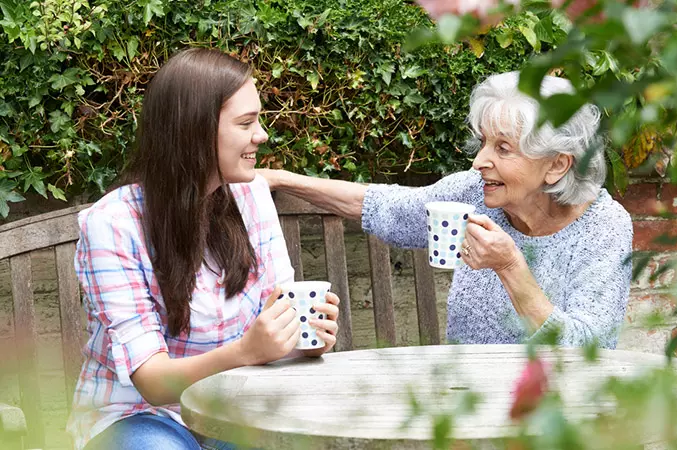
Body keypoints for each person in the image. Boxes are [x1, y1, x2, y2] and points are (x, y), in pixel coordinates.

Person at [67, 48, 340, 450]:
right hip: (137, 416)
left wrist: (302, 337)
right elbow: (153, 381)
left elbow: (280, 314)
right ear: (193, 130)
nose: (261, 135)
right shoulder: (112, 224)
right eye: (246, 122)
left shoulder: (252, 199)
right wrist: (248, 351)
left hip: (235, 409)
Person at [259, 71, 632, 349]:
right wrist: (281, 179)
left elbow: (589, 351)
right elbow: (385, 206)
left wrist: (510, 267)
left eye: (503, 148)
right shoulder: (474, 192)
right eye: (484, 142)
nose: (479, 161)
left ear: (557, 165)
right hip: (463, 402)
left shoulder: (602, 227)